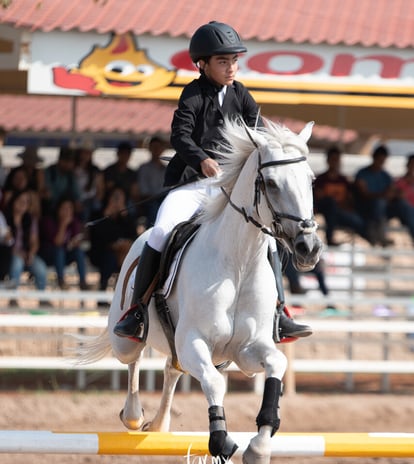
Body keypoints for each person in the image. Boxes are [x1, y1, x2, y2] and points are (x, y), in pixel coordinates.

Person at [114, 21, 311, 343]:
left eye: (234, 60)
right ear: (202, 64)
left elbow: (258, 135)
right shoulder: (193, 93)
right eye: (223, 61)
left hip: (230, 190)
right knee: (162, 230)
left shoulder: (241, 94)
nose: (231, 67)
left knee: (270, 239)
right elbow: (180, 135)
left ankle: (279, 312)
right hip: (192, 186)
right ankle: (137, 311)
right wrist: (202, 160)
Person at [88, 186, 138, 299]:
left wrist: (124, 214)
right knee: (110, 259)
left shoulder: (127, 218)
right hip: (102, 252)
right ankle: (107, 291)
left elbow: (132, 236)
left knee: (126, 255)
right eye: (114, 197)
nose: (117, 201)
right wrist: (107, 215)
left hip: (122, 253)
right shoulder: (98, 214)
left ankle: (121, 292)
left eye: (120, 198)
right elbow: (99, 237)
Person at [313, 147, 369, 246]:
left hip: (340, 214)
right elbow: (319, 197)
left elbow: (349, 199)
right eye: (333, 159)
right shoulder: (321, 179)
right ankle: (330, 238)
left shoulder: (344, 180)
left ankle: (370, 238)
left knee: (358, 221)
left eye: (337, 159)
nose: (335, 162)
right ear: (328, 160)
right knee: (331, 205)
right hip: (327, 212)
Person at [3, 189, 49, 305]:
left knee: (41, 267)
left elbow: (34, 241)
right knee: (17, 263)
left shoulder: (30, 219)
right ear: (14, 201)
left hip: (26, 253)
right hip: (8, 254)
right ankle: (13, 298)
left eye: (26, 202)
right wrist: (18, 253)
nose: (23, 204)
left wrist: (31, 254)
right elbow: (5, 242)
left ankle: (42, 298)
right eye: (20, 201)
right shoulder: (5, 218)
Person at [39, 195, 90, 290]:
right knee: (59, 250)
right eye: (64, 208)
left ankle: (83, 281)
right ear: (58, 209)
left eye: (70, 208)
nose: (67, 211)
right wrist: (63, 224)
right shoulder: (49, 221)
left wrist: (75, 242)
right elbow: (57, 242)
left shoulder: (74, 221)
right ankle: (61, 280)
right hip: (50, 256)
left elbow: (75, 240)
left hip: (65, 256)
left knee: (79, 251)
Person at [136, 135, 168, 227]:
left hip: (164, 198)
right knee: (154, 208)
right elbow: (143, 190)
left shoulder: (166, 168)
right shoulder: (144, 168)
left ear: (162, 149)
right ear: (149, 149)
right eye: (154, 147)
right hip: (149, 200)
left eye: (158, 147)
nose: (156, 150)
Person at [43, 147, 81, 217]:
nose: (67, 164)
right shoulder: (51, 171)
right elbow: (46, 192)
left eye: (70, 162)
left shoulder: (71, 176)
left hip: (66, 208)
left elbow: (77, 195)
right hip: (51, 207)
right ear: (59, 160)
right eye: (65, 161)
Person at [103, 141, 139, 208]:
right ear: (118, 154)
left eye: (127, 154)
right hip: (110, 199)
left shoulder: (132, 173)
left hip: (127, 201)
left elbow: (134, 192)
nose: (124, 156)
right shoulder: (109, 170)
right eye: (123, 154)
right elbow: (109, 187)